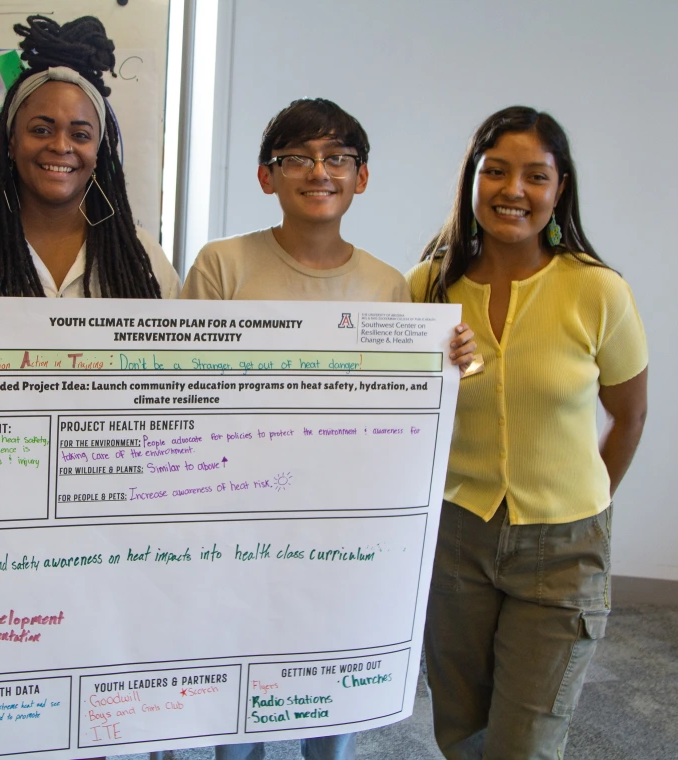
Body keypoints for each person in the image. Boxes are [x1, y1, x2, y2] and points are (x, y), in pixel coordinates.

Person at [183, 97, 475, 760]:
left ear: (361, 176)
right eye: (298, 159)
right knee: (243, 668)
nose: (320, 171)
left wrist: (451, 360)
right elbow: (186, 386)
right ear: (267, 176)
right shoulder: (222, 265)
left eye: (338, 158)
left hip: (343, 516)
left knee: (332, 665)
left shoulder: (387, 285)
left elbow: (404, 404)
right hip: (241, 511)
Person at [408, 106, 648, 760]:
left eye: (535, 176)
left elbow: (629, 415)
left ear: (559, 189)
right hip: (458, 535)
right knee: (461, 728)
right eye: (497, 172)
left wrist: (583, 509)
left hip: (565, 546)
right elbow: (401, 410)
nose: (514, 190)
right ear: (472, 180)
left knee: (524, 743)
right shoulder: (426, 287)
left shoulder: (597, 290)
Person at [0, 14, 179, 299]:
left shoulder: (145, 260)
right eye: (41, 130)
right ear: (11, 143)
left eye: (80, 135)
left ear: (98, 153)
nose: (61, 146)